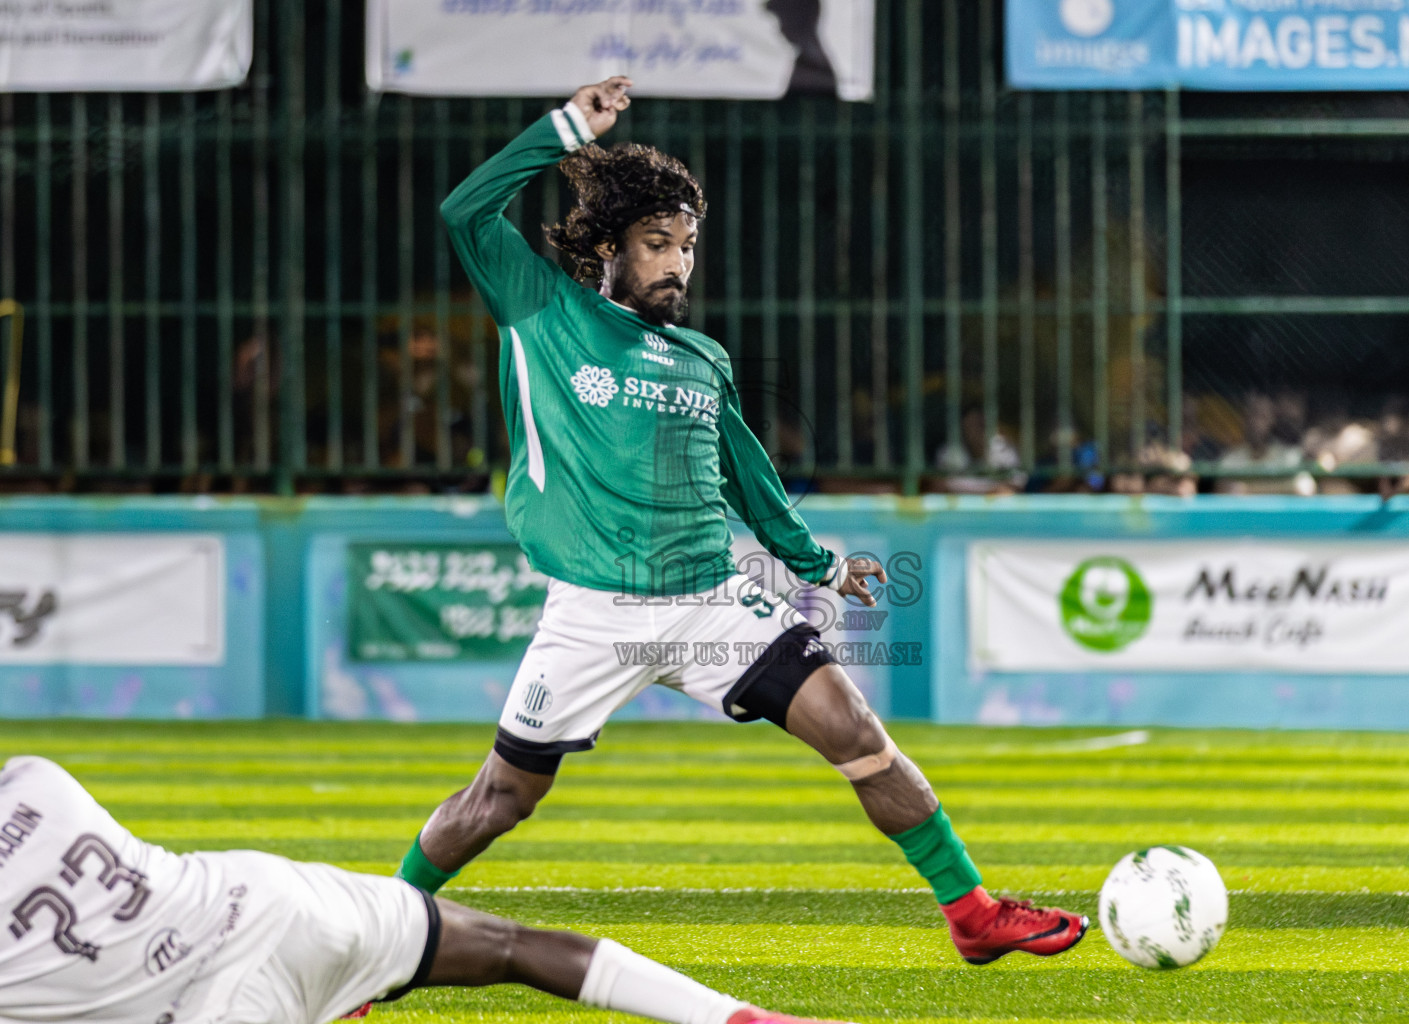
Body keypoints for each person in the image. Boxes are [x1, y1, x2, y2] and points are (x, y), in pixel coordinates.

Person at [397, 75, 1088, 970]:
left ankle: (972, 911)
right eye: (657, 243)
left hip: (714, 600)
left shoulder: (701, 357)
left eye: (687, 245)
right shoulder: (543, 313)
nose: (677, 262)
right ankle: (380, 933)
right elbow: (463, 211)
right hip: (593, 615)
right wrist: (565, 129)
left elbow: (748, 475)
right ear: (609, 247)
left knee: (857, 732)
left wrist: (819, 565)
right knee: (498, 803)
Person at [0, 754, 850, 1024]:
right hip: (272, 898)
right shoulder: (37, 778)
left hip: (218, 1002)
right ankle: (740, 1019)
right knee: (515, 948)